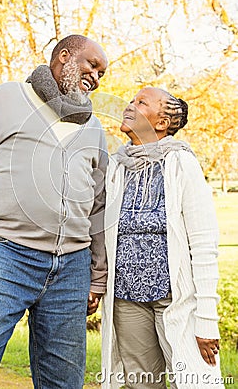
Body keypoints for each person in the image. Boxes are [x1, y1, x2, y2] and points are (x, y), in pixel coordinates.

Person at [0, 34, 108, 389]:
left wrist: (97, 274)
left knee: (63, 382)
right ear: (64, 56)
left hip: (72, 268)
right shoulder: (6, 99)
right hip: (6, 257)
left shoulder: (93, 127)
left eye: (102, 73)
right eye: (92, 64)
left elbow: (98, 204)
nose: (97, 76)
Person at [101, 87, 224, 388]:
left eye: (141, 103)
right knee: (141, 383)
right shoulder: (116, 166)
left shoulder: (181, 164)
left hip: (174, 299)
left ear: (161, 123)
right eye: (131, 101)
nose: (129, 106)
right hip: (126, 298)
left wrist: (207, 318)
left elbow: (204, 244)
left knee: (195, 382)